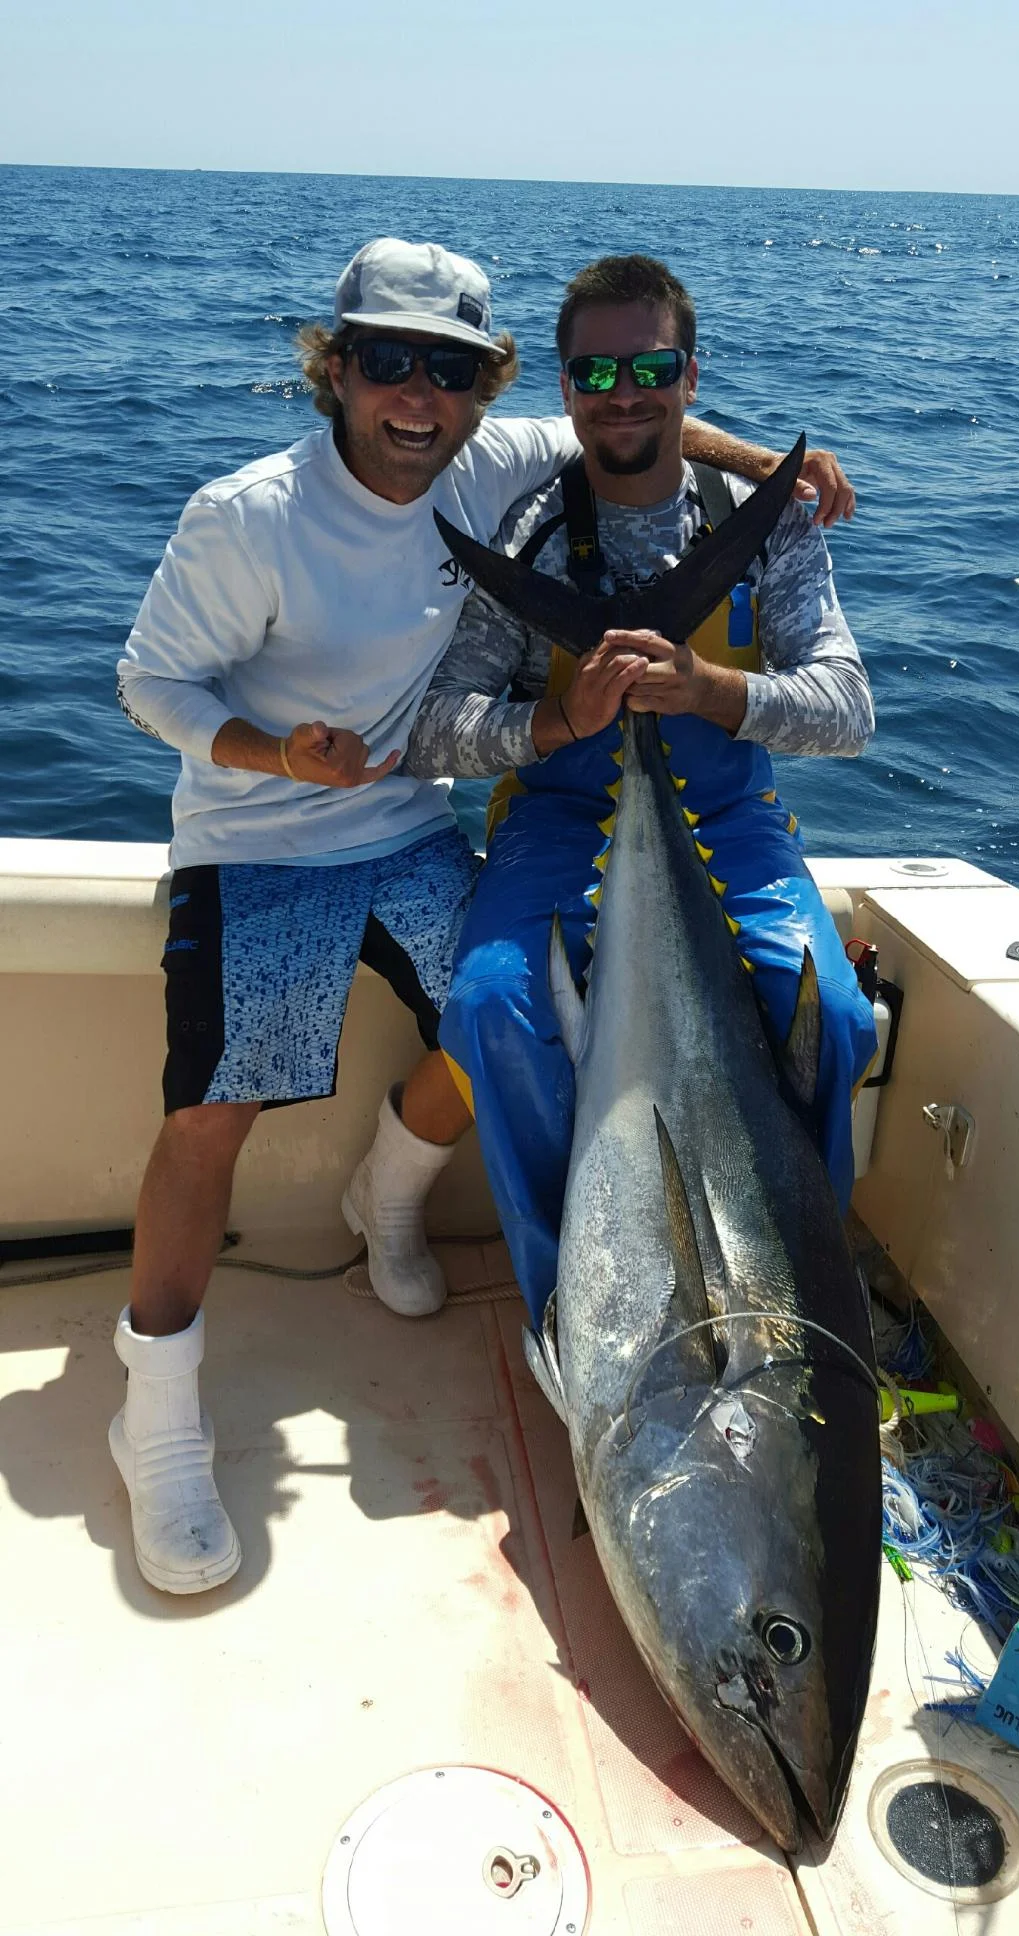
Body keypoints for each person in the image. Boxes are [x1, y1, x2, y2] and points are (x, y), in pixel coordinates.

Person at [113, 236, 848, 1595]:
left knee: (509, 1002)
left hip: (400, 824)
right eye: (383, 361)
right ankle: (153, 1405)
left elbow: (639, 406)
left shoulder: (495, 462)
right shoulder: (247, 513)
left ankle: (386, 1197)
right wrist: (281, 757)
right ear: (331, 369)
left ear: (484, 389)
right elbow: (150, 684)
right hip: (258, 838)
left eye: (445, 370)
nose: (414, 396)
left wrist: (770, 473)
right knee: (217, 1105)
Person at [406, 253, 878, 1338]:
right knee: (489, 1009)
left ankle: (795, 1299)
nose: (625, 391)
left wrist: (709, 690)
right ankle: (574, 1316)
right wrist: (558, 722)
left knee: (838, 1019)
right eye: (597, 371)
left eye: (651, 364)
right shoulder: (523, 535)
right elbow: (438, 726)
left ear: (691, 376)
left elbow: (848, 709)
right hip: (559, 819)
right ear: (564, 388)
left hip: (731, 821)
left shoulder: (772, 527)